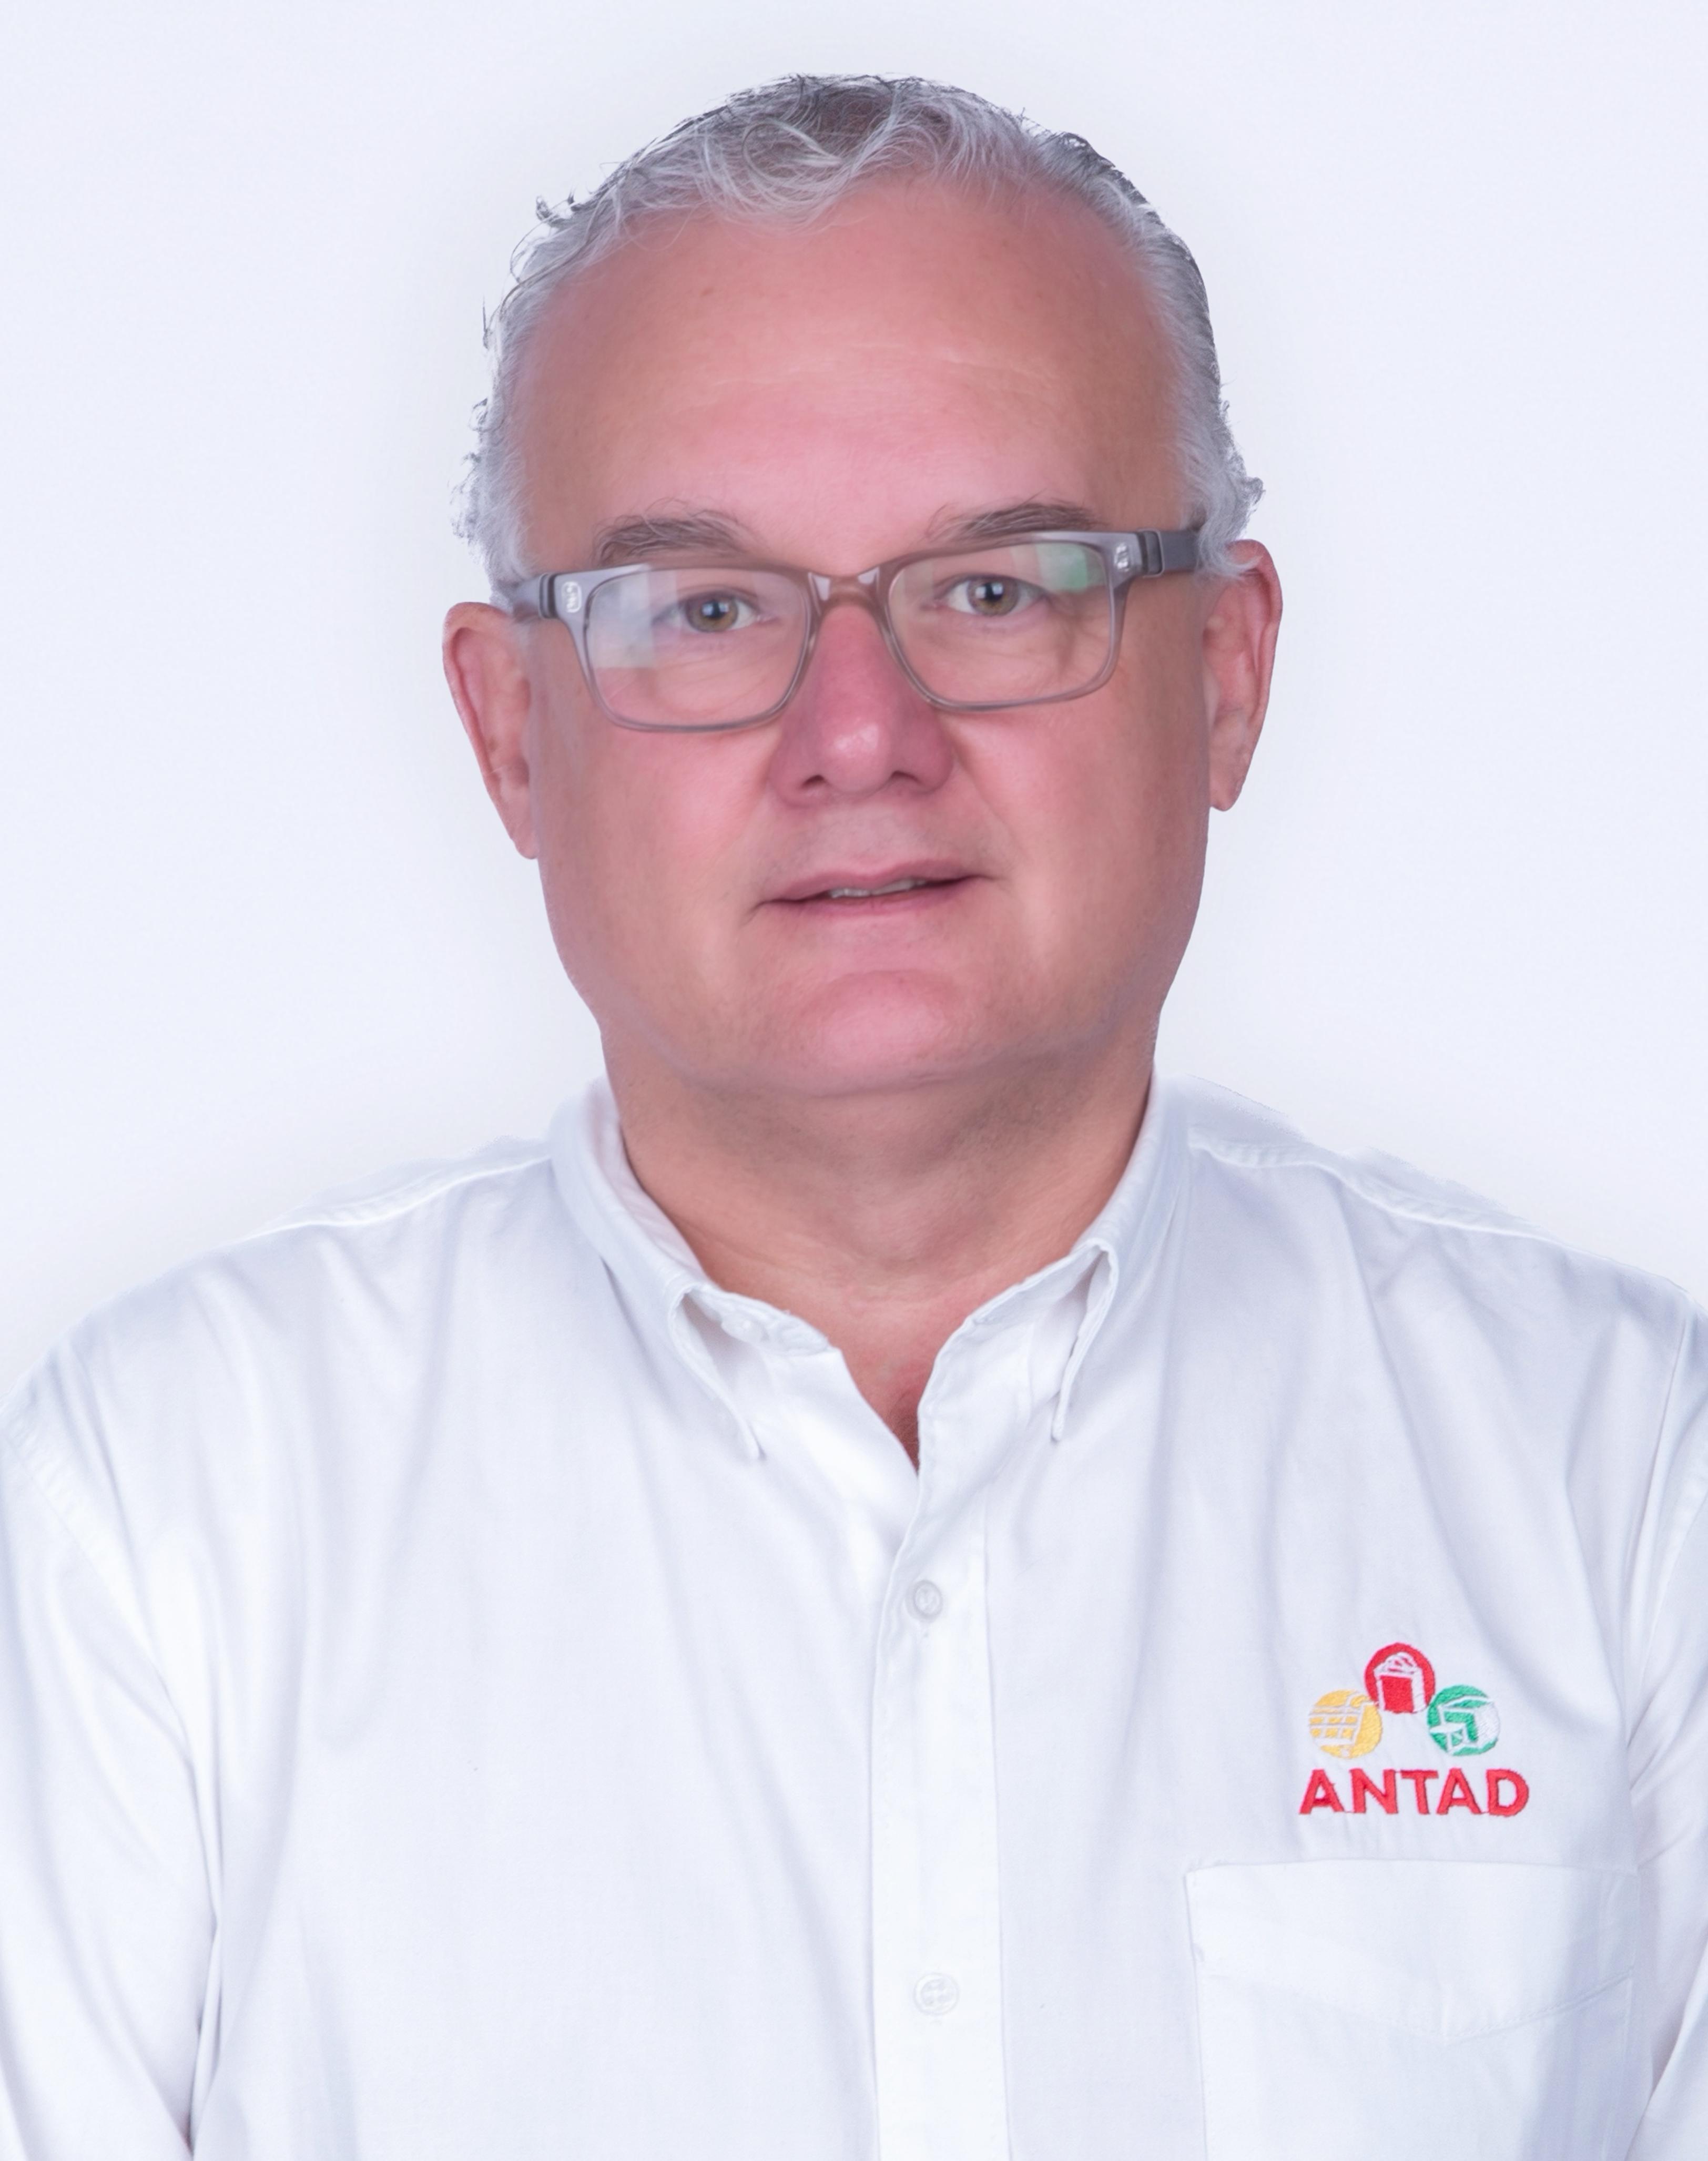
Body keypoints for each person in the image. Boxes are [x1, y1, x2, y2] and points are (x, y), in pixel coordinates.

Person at [0, 71, 1702, 2161]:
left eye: (998, 587)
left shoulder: (1623, 1481)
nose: (860, 735)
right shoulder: (165, 1517)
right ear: (512, 731)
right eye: (704, 611)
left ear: (1227, 672)